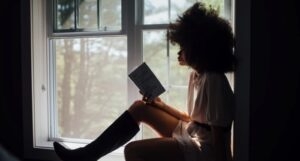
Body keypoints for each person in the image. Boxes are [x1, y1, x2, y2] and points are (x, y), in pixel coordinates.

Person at [53, 2, 236, 161]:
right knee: (139, 107)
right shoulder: (196, 76)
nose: (179, 52)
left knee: (132, 151)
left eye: (183, 47)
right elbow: (192, 119)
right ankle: (87, 155)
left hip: (205, 150)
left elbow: (218, 137)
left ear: (198, 48)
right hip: (192, 132)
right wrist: (161, 105)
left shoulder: (214, 80)